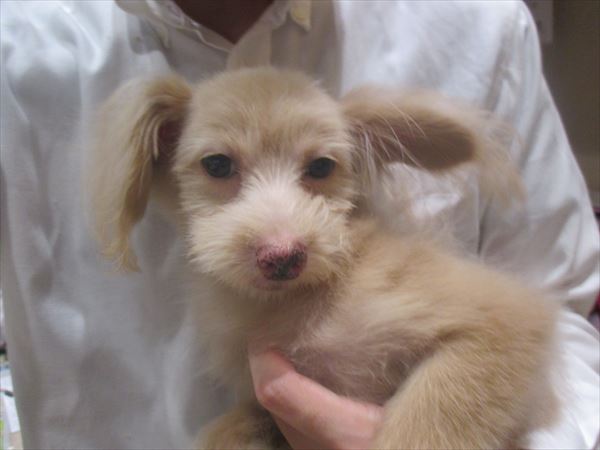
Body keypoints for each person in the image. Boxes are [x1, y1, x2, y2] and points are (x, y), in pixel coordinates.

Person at [1, 1, 598, 448]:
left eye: (319, 168)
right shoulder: (19, 46)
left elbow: (545, 322)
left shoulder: (477, 22)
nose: (282, 245)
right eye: (219, 166)